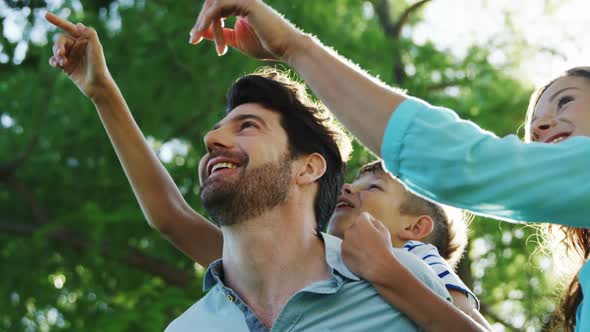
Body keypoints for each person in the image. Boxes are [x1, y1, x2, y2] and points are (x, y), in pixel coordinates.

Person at [188, 1, 589, 330]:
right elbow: (174, 221)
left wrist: (295, 46)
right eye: (533, 122)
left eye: (565, 100)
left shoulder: (408, 267)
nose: (537, 125)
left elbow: (462, 162)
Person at [44, 13, 456, 332]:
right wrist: (102, 93)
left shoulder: (402, 280)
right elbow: (170, 216)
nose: (210, 138)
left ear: (308, 167)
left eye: (247, 126)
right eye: (219, 128)